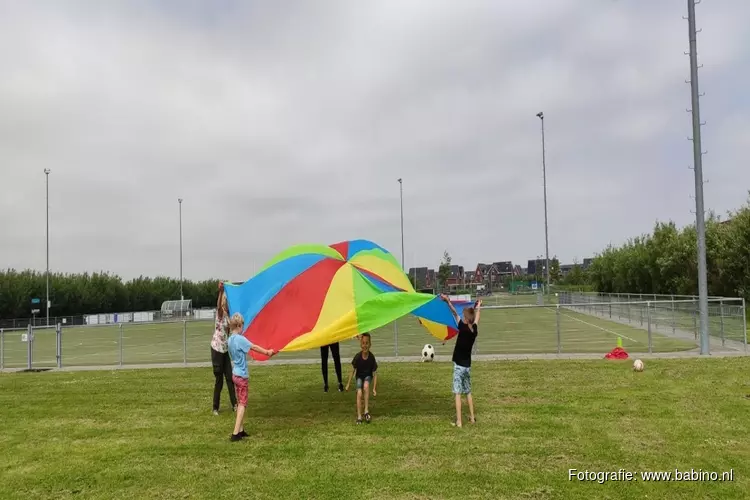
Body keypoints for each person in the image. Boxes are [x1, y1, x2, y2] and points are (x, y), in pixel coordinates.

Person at [226, 312, 276, 442]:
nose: (243, 327)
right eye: (242, 325)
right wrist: (267, 352)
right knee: (243, 403)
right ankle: (235, 433)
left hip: (234, 374)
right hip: (241, 375)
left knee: (239, 402)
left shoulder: (230, 339)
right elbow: (253, 347)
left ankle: (241, 430)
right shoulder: (240, 339)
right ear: (239, 325)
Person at [441, 294, 481, 428]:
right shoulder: (473, 330)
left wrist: (447, 300)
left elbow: (453, 311)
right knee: (468, 392)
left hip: (458, 366)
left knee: (458, 393)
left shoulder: (461, 327)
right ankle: (472, 418)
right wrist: (478, 307)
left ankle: (459, 421)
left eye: (463, 316)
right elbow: (477, 319)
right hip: (467, 367)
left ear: (465, 319)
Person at [210, 283, 237, 415]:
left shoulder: (228, 315)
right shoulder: (220, 314)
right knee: (219, 380)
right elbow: (218, 306)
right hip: (217, 349)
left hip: (225, 350)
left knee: (230, 378)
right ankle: (215, 407)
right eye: (225, 301)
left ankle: (235, 404)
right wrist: (221, 292)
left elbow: (234, 326)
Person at [345, 333, 378, 424]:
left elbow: (375, 374)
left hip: (368, 376)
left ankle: (366, 411)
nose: (365, 345)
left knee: (366, 386)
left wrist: (374, 388)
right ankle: (359, 416)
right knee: (359, 393)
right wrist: (348, 384)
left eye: (367, 343)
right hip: (359, 377)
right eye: (363, 343)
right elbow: (352, 370)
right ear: (360, 344)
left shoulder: (371, 358)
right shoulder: (357, 357)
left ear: (370, 344)